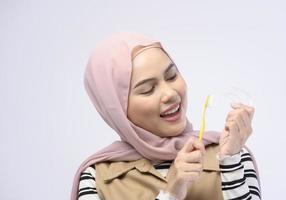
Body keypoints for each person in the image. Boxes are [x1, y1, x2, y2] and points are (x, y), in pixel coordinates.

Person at [71, 32, 261, 200]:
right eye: (147, 89)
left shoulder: (231, 152)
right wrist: (171, 193)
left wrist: (231, 162)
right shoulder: (96, 177)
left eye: (171, 76)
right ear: (117, 110)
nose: (170, 93)